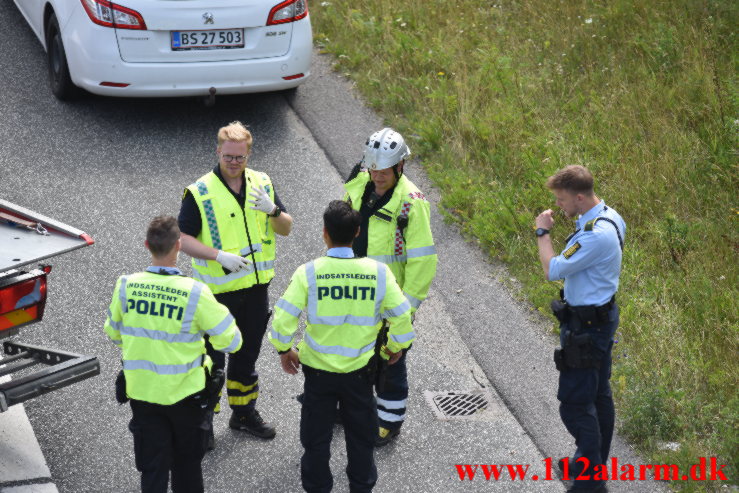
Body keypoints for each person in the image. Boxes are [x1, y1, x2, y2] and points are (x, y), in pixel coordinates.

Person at [270, 200, 414, 493]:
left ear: (324, 233)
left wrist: (284, 349)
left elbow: (283, 317)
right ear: (358, 233)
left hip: (318, 375)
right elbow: (401, 316)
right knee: (362, 441)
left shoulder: (308, 273)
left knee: (315, 442)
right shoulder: (378, 273)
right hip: (360, 374)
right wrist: (394, 347)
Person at [104, 216, 242, 493]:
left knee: (153, 470)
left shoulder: (126, 285)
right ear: (179, 246)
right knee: (187, 468)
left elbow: (113, 332)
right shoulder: (195, 293)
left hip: (143, 394)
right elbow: (233, 341)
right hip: (186, 398)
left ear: (147, 245)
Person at [177, 120, 293, 441]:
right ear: (218, 151)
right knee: (212, 364)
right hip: (217, 296)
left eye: (239, 157)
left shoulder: (262, 183)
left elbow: (286, 227)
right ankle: (203, 425)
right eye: (228, 156)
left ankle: (243, 414)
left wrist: (273, 211)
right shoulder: (200, 192)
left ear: (248, 155)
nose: (233, 163)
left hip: (256, 292)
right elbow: (181, 240)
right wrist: (217, 255)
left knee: (246, 359)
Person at [343, 127, 437, 446]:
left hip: (389, 301)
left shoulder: (411, 203)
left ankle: (389, 421)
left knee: (390, 364)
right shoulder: (360, 184)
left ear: (400, 167)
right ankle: (349, 407)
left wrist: (405, 312)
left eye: (384, 171)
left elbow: (423, 261)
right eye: (373, 169)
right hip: (354, 292)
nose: (378, 177)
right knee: (352, 354)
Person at [535, 165, 626, 493]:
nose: (558, 205)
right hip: (600, 318)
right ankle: (591, 461)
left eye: (561, 199)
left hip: (587, 329)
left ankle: (590, 482)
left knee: (575, 403)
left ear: (579, 196)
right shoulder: (611, 217)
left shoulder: (594, 235)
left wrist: (542, 232)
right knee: (599, 393)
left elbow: (553, 268)